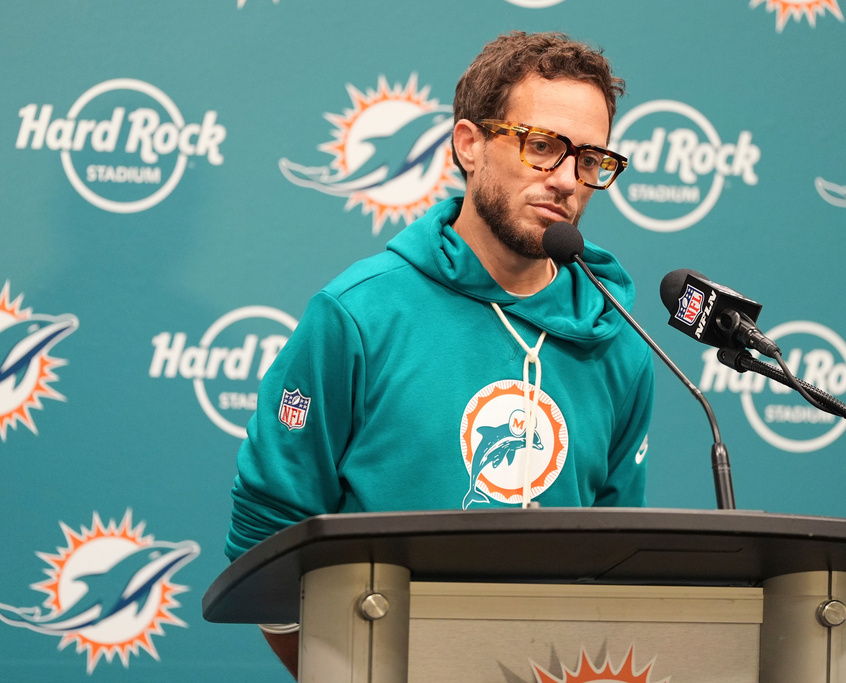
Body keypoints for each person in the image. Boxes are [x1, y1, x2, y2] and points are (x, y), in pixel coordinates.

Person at [224, 30, 655, 677]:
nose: (567, 179)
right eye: (542, 146)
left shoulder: (620, 345)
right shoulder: (357, 314)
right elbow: (267, 528)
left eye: (590, 159)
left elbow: (616, 565)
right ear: (468, 144)